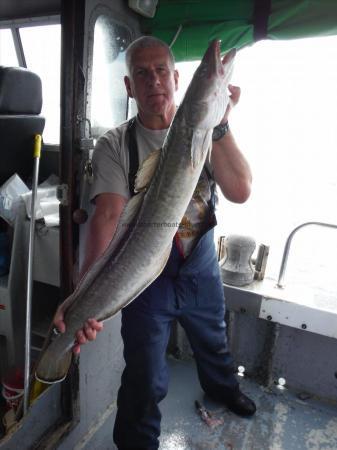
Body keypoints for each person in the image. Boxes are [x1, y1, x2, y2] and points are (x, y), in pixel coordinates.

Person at [54, 36, 255, 450]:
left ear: (177, 78)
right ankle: (136, 442)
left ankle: (221, 388)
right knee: (145, 372)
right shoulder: (115, 145)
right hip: (147, 276)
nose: (154, 81)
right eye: (142, 74)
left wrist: (219, 125)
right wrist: (83, 296)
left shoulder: (204, 128)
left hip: (199, 265)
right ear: (129, 87)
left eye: (162, 70)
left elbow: (240, 189)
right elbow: (107, 215)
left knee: (214, 339)